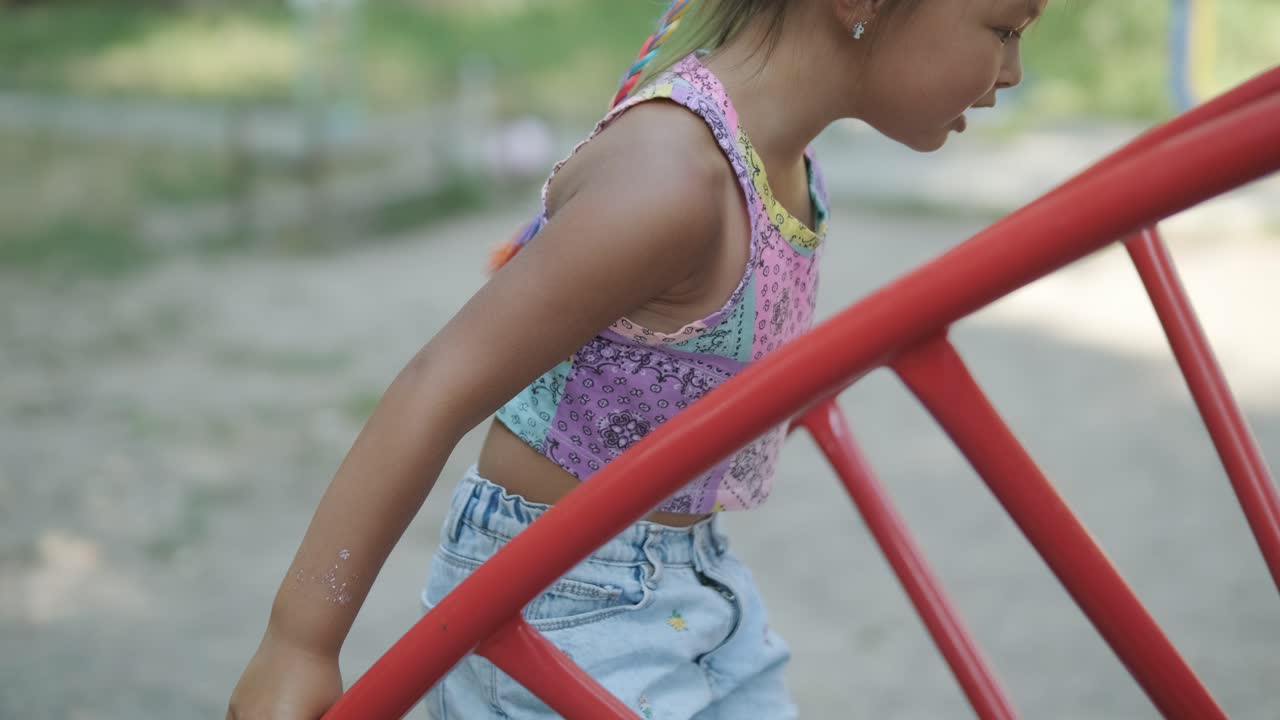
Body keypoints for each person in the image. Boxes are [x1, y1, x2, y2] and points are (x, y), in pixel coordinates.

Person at [227, 0, 1047, 717]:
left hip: (697, 588)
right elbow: (436, 385)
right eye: (1003, 29)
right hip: (559, 605)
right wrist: (299, 641)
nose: (1011, 70)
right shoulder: (675, 179)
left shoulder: (785, 166)